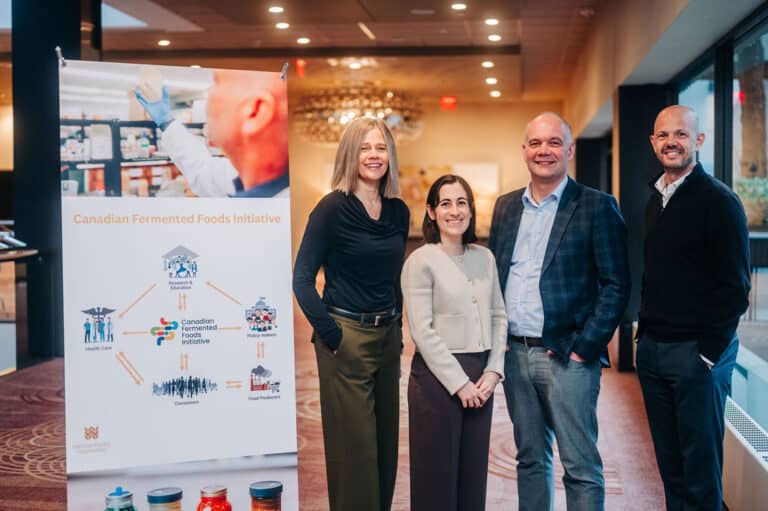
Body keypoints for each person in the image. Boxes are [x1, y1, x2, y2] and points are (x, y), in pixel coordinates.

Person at [488, 112, 630, 511]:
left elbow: (616, 285)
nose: (543, 151)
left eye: (553, 143)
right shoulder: (505, 208)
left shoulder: (597, 206)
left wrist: (585, 346)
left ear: (568, 149)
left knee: (580, 465)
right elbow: (495, 276)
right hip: (515, 354)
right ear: (524, 151)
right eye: (535, 143)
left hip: (568, 356)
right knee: (530, 459)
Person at [292, 117, 409, 511]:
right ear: (349, 154)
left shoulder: (398, 211)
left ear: (390, 155)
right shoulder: (331, 209)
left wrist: (399, 329)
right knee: (355, 454)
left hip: (387, 337)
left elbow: (394, 278)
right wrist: (333, 335)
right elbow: (302, 279)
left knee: (385, 449)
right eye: (365, 147)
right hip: (346, 339)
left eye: (380, 148)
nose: (374, 156)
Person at [637, 105, 750, 511]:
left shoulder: (719, 201)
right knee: (670, 468)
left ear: (698, 141)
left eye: (681, 134)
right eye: (663, 135)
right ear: (653, 143)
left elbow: (735, 288)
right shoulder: (656, 200)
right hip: (653, 351)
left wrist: (706, 353)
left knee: (701, 475)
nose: (672, 142)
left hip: (695, 357)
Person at [401, 174, 507, 511]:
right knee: (436, 479)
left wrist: (493, 373)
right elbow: (422, 330)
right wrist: (460, 384)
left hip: (481, 378)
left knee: (473, 477)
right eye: (445, 203)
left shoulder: (485, 257)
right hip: (436, 380)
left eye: (462, 202)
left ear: (471, 210)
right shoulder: (420, 261)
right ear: (431, 212)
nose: (455, 211)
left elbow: (498, 316)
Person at [135, 69, 288, 198]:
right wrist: (166, 121)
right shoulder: (241, 178)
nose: (208, 95)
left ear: (255, 112)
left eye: (217, 82)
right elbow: (202, 169)